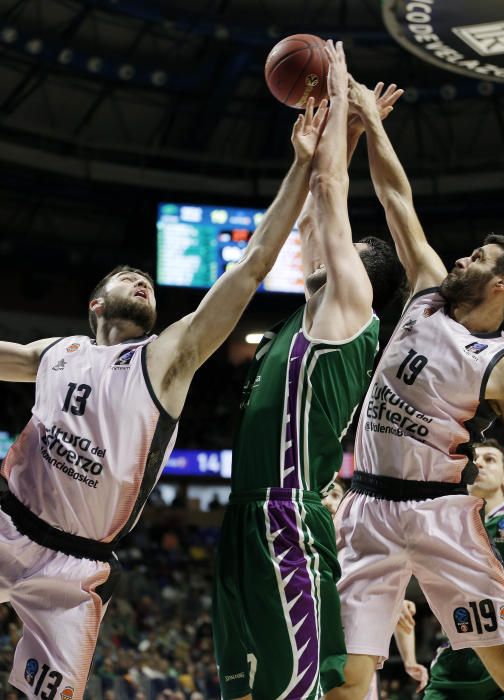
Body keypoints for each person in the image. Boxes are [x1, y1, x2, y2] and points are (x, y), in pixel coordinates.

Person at [0, 96, 329, 699]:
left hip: (73, 563)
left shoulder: (166, 358)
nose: (142, 281)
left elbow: (252, 266)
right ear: (96, 303)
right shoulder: (56, 351)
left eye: (146, 281)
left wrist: (301, 166)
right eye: (127, 278)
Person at [212, 41, 403, 700]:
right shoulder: (316, 309)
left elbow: (328, 195)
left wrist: (335, 89)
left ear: (361, 268)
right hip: (248, 514)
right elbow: (320, 216)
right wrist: (344, 132)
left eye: (345, 247)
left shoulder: (352, 309)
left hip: (286, 514)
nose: (323, 244)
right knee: (245, 688)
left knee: (294, 691)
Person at [334, 77, 504, 700]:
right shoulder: (428, 291)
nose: (464, 259)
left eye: (480, 258)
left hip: (439, 515)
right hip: (365, 509)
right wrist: (370, 122)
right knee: (345, 676)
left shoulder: (501, 361)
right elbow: (395, 196)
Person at [424, 439, 504, 699]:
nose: (479, 463)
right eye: (475, 459)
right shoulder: (445, 526)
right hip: (458, 652)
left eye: (490, 459)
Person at [323, 479, 428, 699]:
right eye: (324, 494)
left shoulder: (361, 550)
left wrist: (410, 662)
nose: (329, 502)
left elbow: (400, 611)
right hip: (312, 652)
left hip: (354, 658)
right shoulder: (301, 547)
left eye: (336, 495)